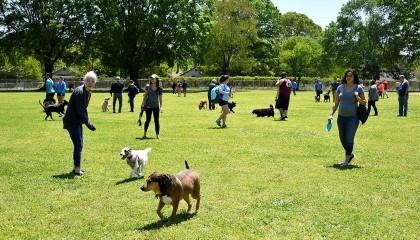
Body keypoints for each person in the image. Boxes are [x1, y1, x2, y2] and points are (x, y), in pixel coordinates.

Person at [328, 69, 366, 167]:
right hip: (341, 117)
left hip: (353, 118)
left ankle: (346, 160)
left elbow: (364, 102)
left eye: (351, 76)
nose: (349, 77)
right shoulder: (340, 87)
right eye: (347, 75)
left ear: (354, 77)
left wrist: (357, 97)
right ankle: (350, 154)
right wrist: (331, 114)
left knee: (349, 139)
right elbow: (336, 102)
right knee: (342, 138)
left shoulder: (358, 88)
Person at [63, 71, 97, 176]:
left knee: (80, 144)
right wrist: (89, 124)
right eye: (88, 80)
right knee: (78, 145)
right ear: (84, 80)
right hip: (72, 121)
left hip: (77, 121)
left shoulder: (88, 92)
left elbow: (83, 109)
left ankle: (76, 168)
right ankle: (77, 169)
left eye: (92, 81)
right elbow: (81, 110)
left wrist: (84, 121)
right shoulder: (79, 92)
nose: (90, 83)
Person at [141, 74, 163, 139]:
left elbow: (160, 99)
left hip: (156, 106)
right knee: (148, 120)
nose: (152, 80)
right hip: (148, 106)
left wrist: (161, 107)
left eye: (153, 78)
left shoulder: (159, 88)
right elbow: (145, 96)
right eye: (151, 78)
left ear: (156, 79)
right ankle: (145, 133)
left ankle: (157, 134)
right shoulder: (148, 86)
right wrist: (143, 104)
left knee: (156, 120)